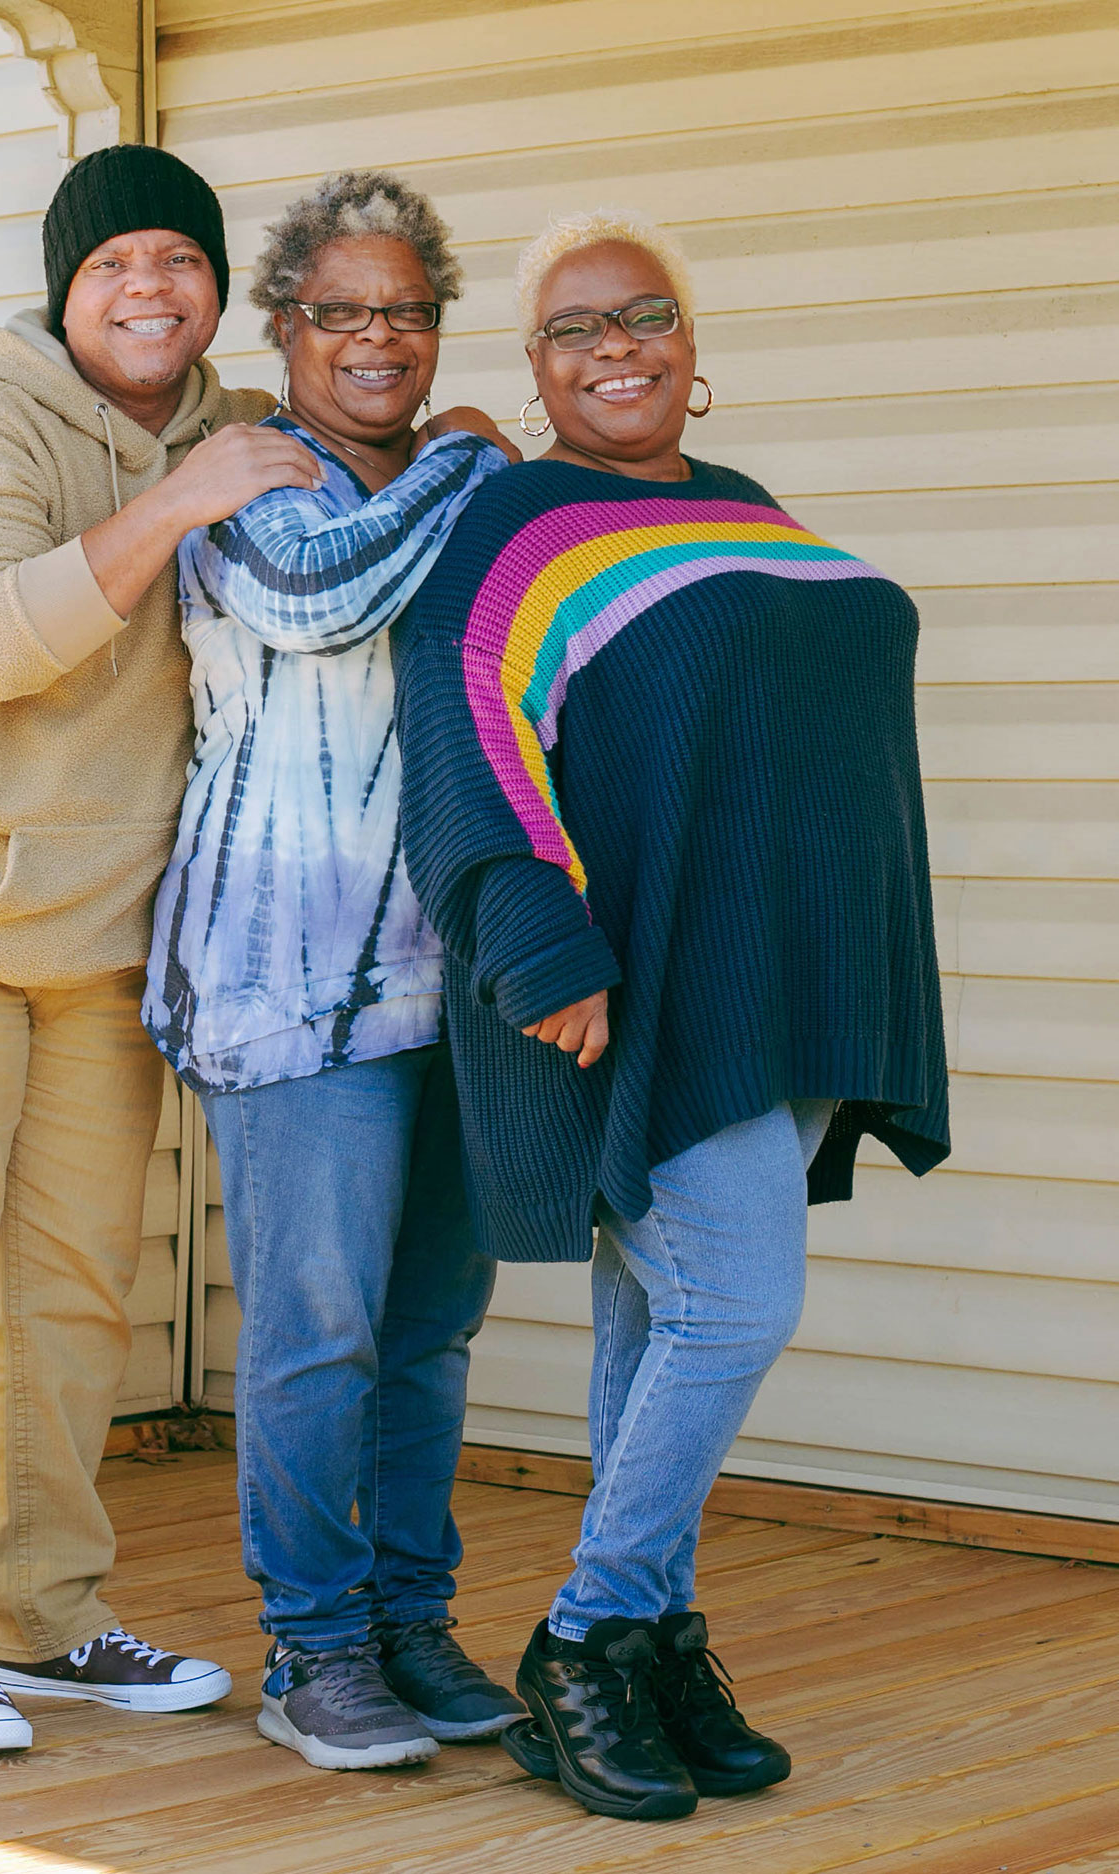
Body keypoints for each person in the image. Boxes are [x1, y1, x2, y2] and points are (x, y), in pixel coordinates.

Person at [394, 210, 950, 1820]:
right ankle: (585, 1635)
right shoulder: (517, 524)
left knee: (659, 1321)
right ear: (537, 367)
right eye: (576, 327)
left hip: (774, 971)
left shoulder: (740, 510)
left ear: (694, 354)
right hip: (637, 978)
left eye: (646, 315)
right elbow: (467, 720)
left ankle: (650, 1642)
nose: (617, 344)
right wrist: (536, 938)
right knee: (733, 1309)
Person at [0, 145, 325, 1755]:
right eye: (114, 264)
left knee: (78, 1290)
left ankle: (47, 1610)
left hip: (103, 933)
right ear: (63, 287)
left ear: (216, 289)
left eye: (180, 257)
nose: (150, 285)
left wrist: (449, 440)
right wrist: (181, 501)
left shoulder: (237, 428)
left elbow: (348, 507)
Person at [143, 170, 525, 1771]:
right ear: (285, 325)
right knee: (319, 1330)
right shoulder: (246, 474)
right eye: (342, 309)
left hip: (455, 976)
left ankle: (408, 1621)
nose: (379, 337)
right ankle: (313, 1648)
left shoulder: (445, 482)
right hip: (287, 976)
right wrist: (465, 463)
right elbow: (318, 590)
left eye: (408, 310)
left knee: (431, 1324)